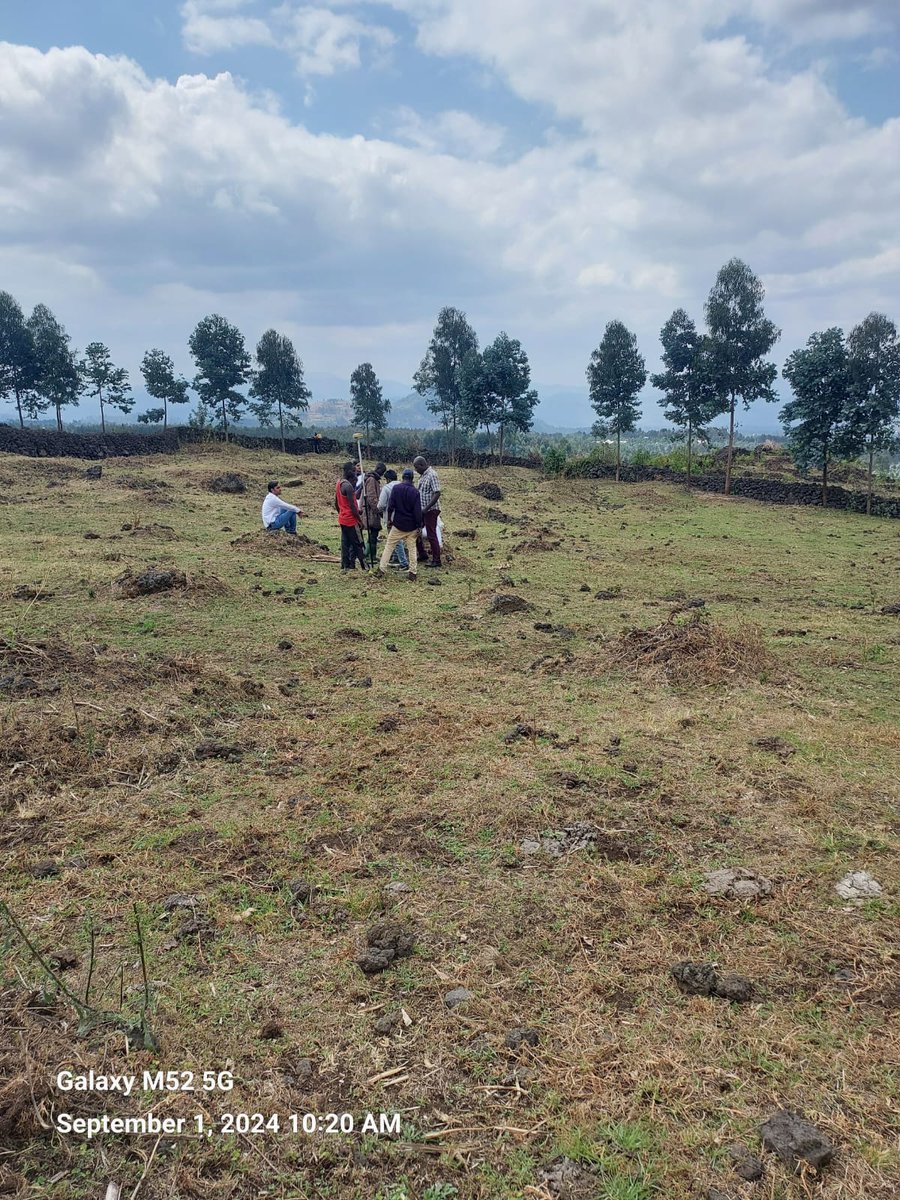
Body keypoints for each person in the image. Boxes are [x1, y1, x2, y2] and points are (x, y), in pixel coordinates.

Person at [377, 469, 421, 580]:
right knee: (412, 549)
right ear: (412, 479)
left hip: (398, 524)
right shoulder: (415, 492)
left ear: (402, 477)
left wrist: (389, 520)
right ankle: (413, 572)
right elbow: (417, 511)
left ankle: (382, 569)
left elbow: (391, 506)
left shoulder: (396, 489)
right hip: (411, 526)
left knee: (389, 546)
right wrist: (419, 525)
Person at [335, 461, 368, 570]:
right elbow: (353, 506)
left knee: (345, 543)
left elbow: (336, 503)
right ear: (350, 472)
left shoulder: (339, 483)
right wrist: (360, 521)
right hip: (351, 520)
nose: (355, 474)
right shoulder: (348, 487)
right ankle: (365, 566)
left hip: (342, 518)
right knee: (358, 543)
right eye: (354, 471)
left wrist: (341, 512)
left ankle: (345, 566)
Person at [414, 455, 442, 568]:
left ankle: (436, 560)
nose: (415, 470)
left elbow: (437, 493)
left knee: (431, 534)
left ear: (422, 465)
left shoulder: (432, 475)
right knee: (417, 531)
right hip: (422, 510)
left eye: (416, 467)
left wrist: (426, 509)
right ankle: (422, 554)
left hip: (431, 510)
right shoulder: (423, 476)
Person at [377, 469, 409, 569]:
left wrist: (379, 510)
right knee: (398, 538)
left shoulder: (386, 488)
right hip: (403, 516)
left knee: (396, 539)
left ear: (388, 479)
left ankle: (404, 562)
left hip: (391, 518)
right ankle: (395, 557)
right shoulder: (404, 486)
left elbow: (381, 505)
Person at [360, 462, 385, 566]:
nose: (382, 474)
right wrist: (377, 509)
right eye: (381, 472)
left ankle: (371, 555)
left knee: (374, 533)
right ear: (377, 468)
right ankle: (368, 555)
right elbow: (371, 497)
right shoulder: (371, 480)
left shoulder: (373, 479)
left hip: (372, 511)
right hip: (370, 512)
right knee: (373, 533)